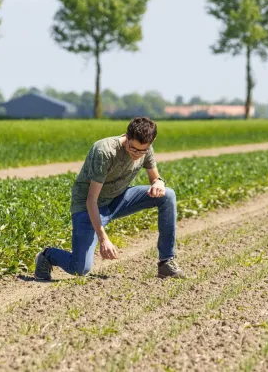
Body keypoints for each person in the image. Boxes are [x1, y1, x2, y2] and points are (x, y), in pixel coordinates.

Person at [33, 116, 185, 280]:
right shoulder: (104, 152)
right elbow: (91, 199)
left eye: (143, 151)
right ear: (127, 136)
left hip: (118, 199)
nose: (137, 154)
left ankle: (166, 262)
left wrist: (159, 183)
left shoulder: (146, 149)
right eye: (133, 149)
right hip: (88, 207)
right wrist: (103, 238)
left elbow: (155, 178)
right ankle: (47, 255)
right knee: (79, 268)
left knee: (167, 194)